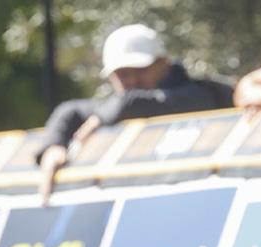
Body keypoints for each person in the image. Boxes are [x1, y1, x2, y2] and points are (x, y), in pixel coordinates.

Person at [36, 24, 234, 204]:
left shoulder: (199, 95)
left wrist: (101, 117)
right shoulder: (113, 108)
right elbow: (69, 110)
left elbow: (132, 102)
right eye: (121, 74)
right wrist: (53, 146)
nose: (132, 80)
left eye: (141, 69)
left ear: (164, 63)